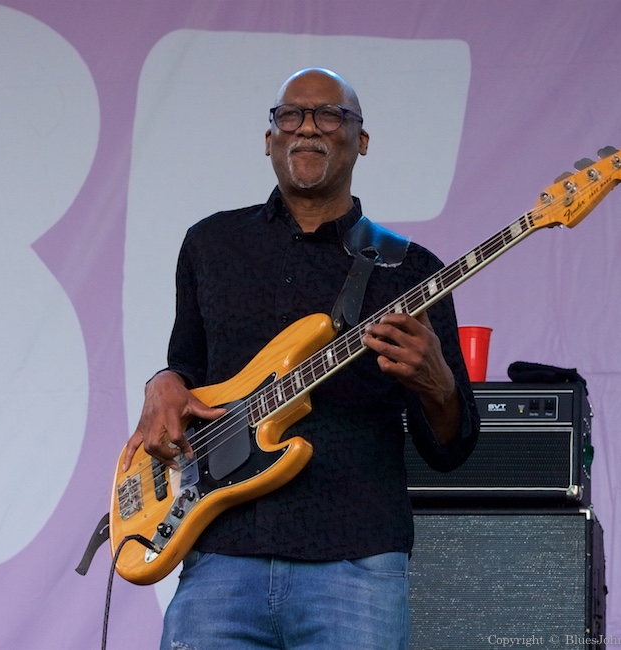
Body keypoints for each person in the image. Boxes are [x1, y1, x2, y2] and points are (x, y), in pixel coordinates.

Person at [123, 67, 479, 649]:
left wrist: (437, 384)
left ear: (361, 140)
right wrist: (162, 381)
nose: (307, 128)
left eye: (329, 115)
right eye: (291, 115)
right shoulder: (211, 244)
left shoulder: (411, 269)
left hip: (356, 563)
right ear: (270, 139)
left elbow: (452, 448)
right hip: (220, 556)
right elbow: (187, 368)